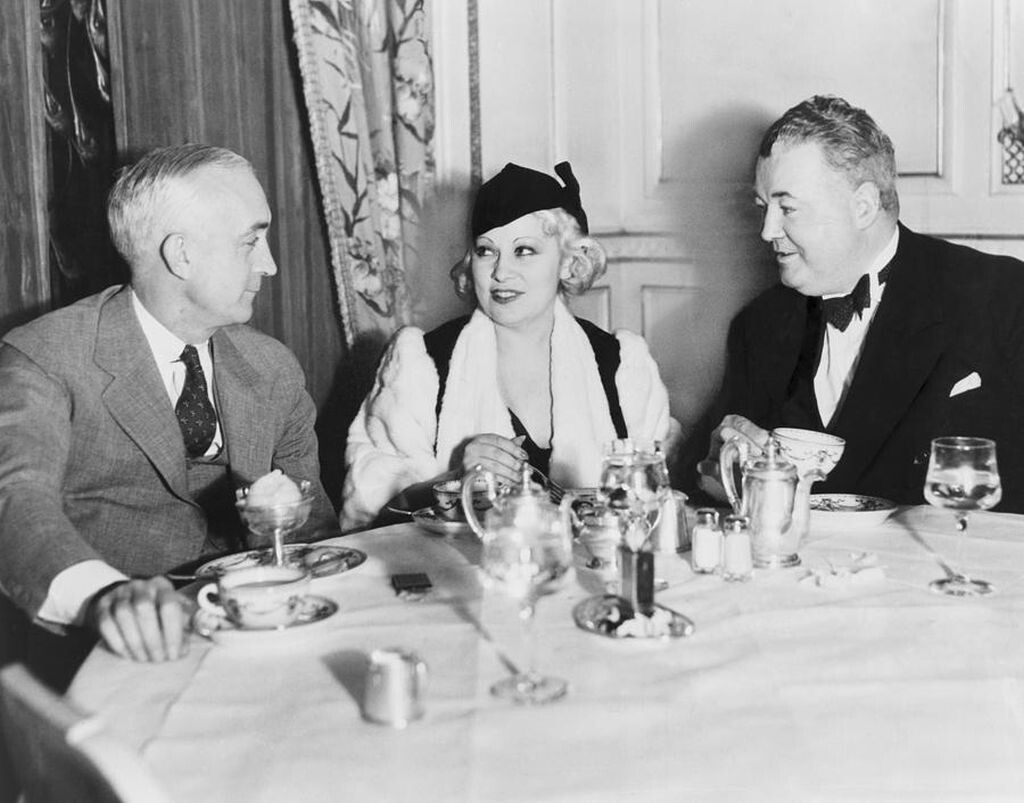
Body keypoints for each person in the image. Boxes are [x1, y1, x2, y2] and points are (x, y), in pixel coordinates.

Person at [0, 144, 339, 672]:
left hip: (262, 649)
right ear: (181, 255)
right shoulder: (45, 358)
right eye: (251, 241)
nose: (269, 265)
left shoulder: (274, 368)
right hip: (112, 657)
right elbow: (16, 503)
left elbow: (315, 536)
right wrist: (104, 598)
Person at [698, 95, 1024, 510]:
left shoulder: (1001, 296)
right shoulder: (757, 326)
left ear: (864, 207)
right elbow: (712, 479)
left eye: (787, 208)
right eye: (763, 208)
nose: (767, 230)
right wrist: (717, 472)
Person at [342, 162, 673, 529]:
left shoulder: (621, 366)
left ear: (569, 263)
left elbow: (655, 512)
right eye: (486, 251)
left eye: (524, 250)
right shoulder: (421, 364)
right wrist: (453, 481)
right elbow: (368, 520)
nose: (500, 272)